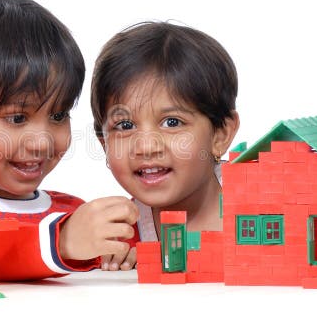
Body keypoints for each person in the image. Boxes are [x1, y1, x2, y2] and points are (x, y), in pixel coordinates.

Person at [0, 0, 138, 281]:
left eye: (58, 116)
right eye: (16, 118)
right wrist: (61, 243)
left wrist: (123, 250)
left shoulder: (73, 214)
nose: (41, 142)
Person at [90, 21, 240, 271]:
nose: (146, 147)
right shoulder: (121, 234)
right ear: (105, 143)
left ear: (220, 135)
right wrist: (122, 264)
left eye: (172, 122)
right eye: (125, 126)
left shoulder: (259, 198)